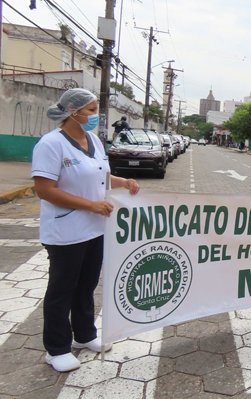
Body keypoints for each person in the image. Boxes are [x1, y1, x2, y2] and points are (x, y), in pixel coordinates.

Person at [32, 88, 140, 372]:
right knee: (61, 289)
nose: (96, 116)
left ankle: (84, 335)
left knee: (86, 286)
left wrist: (124, 182)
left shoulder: (93, 140)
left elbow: (101, 175)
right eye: (91, 111)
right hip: (65, 231)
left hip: (95, 230)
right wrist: (90, 205)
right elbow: (44, 190)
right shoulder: (51, 144)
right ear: (72, 111)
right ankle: (56, 349)